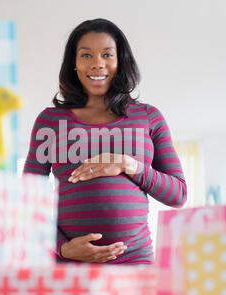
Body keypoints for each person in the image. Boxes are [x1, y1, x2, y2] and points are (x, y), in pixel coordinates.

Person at [23, 18, 187, 265]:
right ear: (74, 64)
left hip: (135, 264)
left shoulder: (148, 117)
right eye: (86, 55)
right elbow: (26, 199)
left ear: (120, 62)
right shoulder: (50, 120)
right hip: (70, 265)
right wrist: (62, 248)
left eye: (107, 54)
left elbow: (178, 194)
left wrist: (128, 165)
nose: (97, 64)